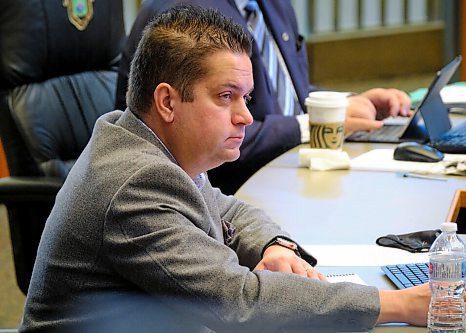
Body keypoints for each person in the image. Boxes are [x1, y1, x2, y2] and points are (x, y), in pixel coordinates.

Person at [21, 5, 466, 332]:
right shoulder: (135, 182)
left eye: (245, 96)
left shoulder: (144, 141)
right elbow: (240, 302)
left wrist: (275, 244)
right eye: (226, 97)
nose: (245, 115)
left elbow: (225, 207)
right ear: (167, 101)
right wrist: (398, 303)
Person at [115, 0, 412, 194]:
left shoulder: (272, 5)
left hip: (281, 179)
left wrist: (347, 103)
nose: (242, 110)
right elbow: (215, 133)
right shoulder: (187, 16)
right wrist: (314, 125)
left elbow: (286, 93)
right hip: (233, 183)